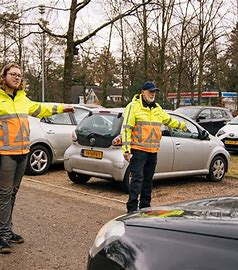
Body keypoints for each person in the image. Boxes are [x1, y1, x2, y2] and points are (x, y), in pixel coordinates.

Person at [0, 63, 74, 254]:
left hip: (22, 152)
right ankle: (2, 235)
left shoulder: (23, 99)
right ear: (4, 76)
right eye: (13, 74)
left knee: (12, 193)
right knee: (4, 194)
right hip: (5, 154)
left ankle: (6, 230)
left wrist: (62, 108)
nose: (17, 77)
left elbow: (41, 108)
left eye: (19, 75)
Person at [122, 81, 187, 213]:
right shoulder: (133, 106)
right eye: (150, 92)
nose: (153, 94)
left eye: (154, 92)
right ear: (143, 92)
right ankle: (132, 209)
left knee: (148, 180)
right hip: (138, 150)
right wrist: (126, 150)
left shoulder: (157, 109)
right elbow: (126, 129)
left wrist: (182, 125)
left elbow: (169, 120)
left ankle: (145, 208)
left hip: (153, 151)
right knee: (136, 180)